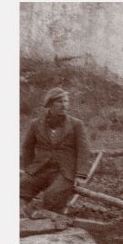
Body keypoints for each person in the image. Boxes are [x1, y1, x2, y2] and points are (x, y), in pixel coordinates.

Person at [20, 87, 90, 216]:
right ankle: (24, 213)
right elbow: (27, 148)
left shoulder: (76, 125)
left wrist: (81, 175)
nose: (64, 105)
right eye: (60, 101)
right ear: (50, 104)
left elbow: (83, 150)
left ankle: (47, 217)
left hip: (64, 171)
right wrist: (28, 168)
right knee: (22, 186)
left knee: (52, 196)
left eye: (66, 101)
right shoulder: (36, 124)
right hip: (41, 169)